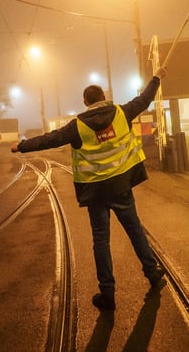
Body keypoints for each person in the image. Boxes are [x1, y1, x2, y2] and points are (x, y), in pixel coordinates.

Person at [11, 67, 168, 311]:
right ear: (103, 97)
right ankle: (152, 272)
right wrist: (156, 77)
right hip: (120, 187)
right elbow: (144, 100)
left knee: (101, 240)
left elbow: (49, 139)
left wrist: (21, 146)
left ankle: (108, 294)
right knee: (135, 229)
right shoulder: (121, 113)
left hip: (96, 193)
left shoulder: (77, 126)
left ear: (85, 102)